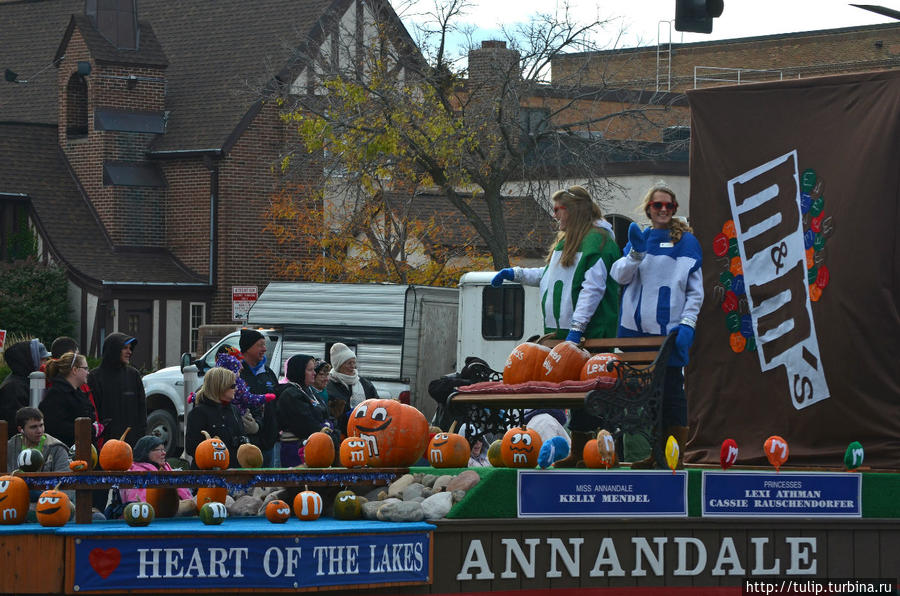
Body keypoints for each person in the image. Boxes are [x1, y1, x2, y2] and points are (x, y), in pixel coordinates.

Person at [491, 185, 622, 466]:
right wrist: (515, 273)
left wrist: (577, 328)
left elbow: (593, 288)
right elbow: (549, 275)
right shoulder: (568, 242)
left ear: (573, 210)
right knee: (574, 398)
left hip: (590, 336)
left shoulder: (597, 242)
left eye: (557, 210)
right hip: (564, 336)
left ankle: (597, 453)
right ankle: (578, 452)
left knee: (590, 397)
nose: (554, 216)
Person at [610, 183, 703, 469]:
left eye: (668, 206)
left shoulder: (688, 242)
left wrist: (687, 324)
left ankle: (675, 457)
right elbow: (619, 276)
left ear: (674, 209)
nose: (663, 210)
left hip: (668, 334)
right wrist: (635, 253)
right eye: (657, 205)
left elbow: (695, 292)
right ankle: (651, 454)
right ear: (648, 209)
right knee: (641, 399)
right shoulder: (640, 238)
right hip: (635, 335)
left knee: (672, 395)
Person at [277, 354, 337, 467]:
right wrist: (323, 428)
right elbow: (304, 423)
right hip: (297, 450)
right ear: (299, 371)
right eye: (310, 370)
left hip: (318, 447)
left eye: (314, 369)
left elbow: (327, 414)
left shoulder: (310, 391)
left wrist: (329, 425)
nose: (314, 373)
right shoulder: (290, 394)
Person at [88, 333, 146, 447]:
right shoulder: (95, 377)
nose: (129, 352)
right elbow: (92, 411)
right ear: (113, 349)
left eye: (130, 348)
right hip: (105, 443)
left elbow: (142, 410)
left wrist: (140, 436)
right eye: (125, 348)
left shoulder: (133, 375)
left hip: (131, 443)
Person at [185, 366, 246, 468]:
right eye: (232, 386)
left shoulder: (234, 410)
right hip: (209, 476)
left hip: (234, 472)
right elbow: (191, 448)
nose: (236, 388)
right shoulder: (199, 413)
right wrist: (211, 450)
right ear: (221, 387)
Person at [238, 328, 281, 467]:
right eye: (260, 345)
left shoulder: (268, 373)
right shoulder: (238, 373)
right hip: (247, 445)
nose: (264, 349)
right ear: (248, 348)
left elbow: (277, 402)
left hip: (269, 441)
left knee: (269, 487)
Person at [121, 435, 194, 514]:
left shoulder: (166, 469)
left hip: (172, 509)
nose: (164, 453)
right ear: (146, 452)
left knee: (195, 503)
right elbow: (140, 504)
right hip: (152, 512)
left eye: (164, 449)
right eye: (160, 450)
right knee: (192, 504)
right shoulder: (137, 473)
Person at [39, 352, 95, 448]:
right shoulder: (56, 394)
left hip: (81, 450)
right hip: (64, 452)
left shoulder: (77, 393)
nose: (88, 372)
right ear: (74, 370)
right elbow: (56, 427)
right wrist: (91, 430)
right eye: (85, 368)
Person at [326, 343, 378, 437]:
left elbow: (377, 405)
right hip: (340, 436)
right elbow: (327, 416)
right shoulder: (329, 385)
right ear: (338, 365)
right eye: (349, 363)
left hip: (365, 434)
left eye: (354, 362)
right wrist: (347, 417)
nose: (353, 366)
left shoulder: (365, 384)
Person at [6, 407, 70, 475]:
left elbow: (64, 478)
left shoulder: (57, 448)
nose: (39, 431)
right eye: (33, 427)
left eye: (41, 425)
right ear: (20, 429)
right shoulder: (8, 447)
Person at [0, 340, 41, 432]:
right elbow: (14, 422)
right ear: (28, 360)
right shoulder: (13, 387)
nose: (45, 363)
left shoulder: (24, 381)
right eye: (41, 359)